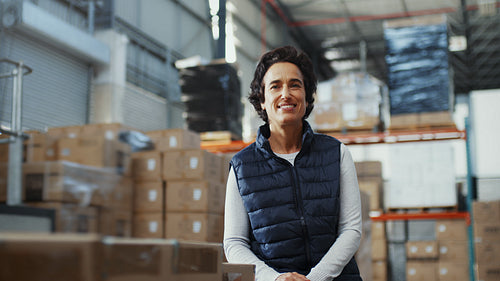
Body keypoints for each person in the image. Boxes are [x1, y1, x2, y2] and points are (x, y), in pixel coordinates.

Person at [223, 45, 363, 281]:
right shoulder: (242, 166)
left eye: (295, 85)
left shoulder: (336, 153)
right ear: (263, 100)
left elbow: (351, 229)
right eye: (275, 86)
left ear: (307, 99)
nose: (285, 94)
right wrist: (275, 279)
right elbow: (234, 243)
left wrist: (315, 278)